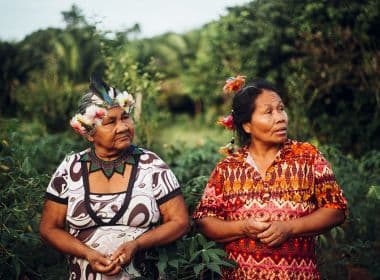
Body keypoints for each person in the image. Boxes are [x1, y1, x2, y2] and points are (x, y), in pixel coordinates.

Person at [193, 76, 347, 280]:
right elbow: (204, 220)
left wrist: (289, 228)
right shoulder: (228, 168)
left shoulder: (307, 156)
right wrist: (243, 227)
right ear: (247, 125)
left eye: (281, 109)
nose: (281, 117)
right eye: (269, 112)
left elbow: (336, 209)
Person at [39, 77, 190, 279]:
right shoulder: (70, 169)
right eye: (110, 122)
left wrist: (137, 244)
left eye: (125, 117)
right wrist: (87, 254)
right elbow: (49, 228)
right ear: (89, 133)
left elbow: (180, 221)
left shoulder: (152, 165)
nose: (123, 127)